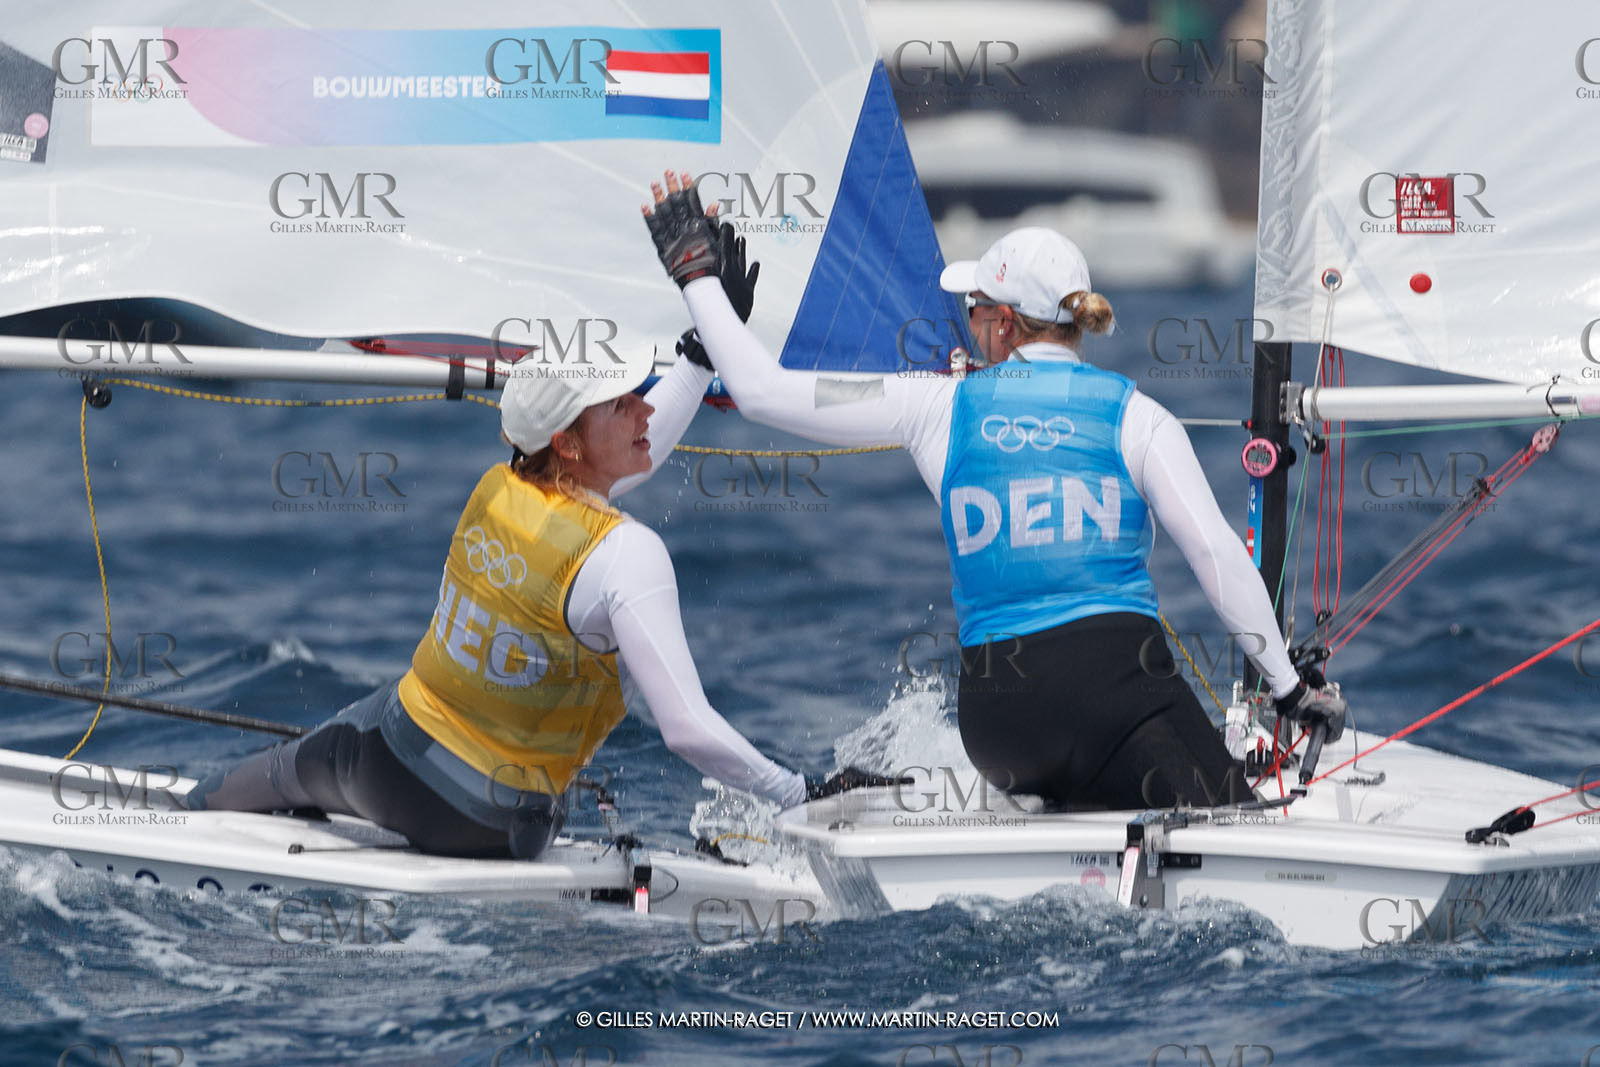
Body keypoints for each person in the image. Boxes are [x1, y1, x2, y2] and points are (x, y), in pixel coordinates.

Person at [641, 172, 1345, 810]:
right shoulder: (1139, 416)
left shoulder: (933, 406)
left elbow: (761, 392)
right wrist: (1290, 691)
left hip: (1001, 729)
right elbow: (1215, 554)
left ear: (1004, 323)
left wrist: (696, 274)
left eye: (973, 308)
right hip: (1117, 700)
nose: (966, 324)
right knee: (1238, 825)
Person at [185, 228, 887, 857]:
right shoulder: (626, 555)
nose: (644, 410)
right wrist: (802, 793)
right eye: (621, 403)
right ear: (569, 445)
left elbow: (618, 466)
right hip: (499, 823)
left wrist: (700, 356)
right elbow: (685, 730)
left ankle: (192, 814)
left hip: (393, 765)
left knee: (275, 774)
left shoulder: (499, 488)